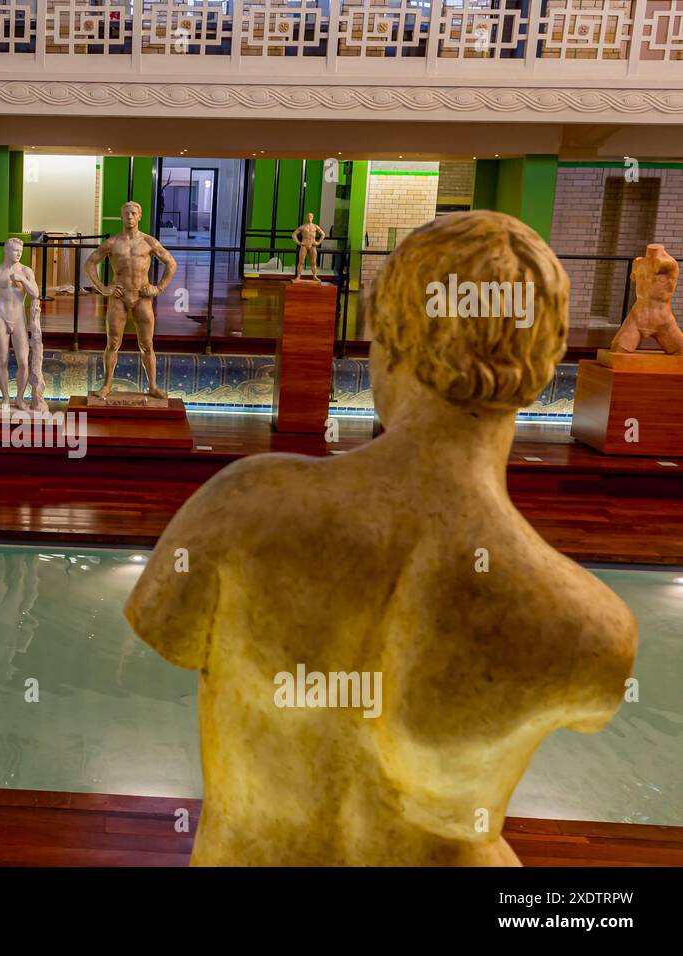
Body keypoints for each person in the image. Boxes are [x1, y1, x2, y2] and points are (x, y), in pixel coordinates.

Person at [125, 211, 637, 866]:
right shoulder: (592, 628)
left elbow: (164, 628)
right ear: (547, 362)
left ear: (386, 344)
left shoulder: (242, 507)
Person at [82, 201, 176, 399]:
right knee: (113, 343)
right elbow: (90, 264)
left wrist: (158, 288)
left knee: (147, 344)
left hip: (142, 297)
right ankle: (107, 385)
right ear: (121, 216)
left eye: (134, 213)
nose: (130, 216)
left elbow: (171, 263)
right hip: (119, 296)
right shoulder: (113, 243)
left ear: (139, 216)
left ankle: (152, 386)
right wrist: (103, 288)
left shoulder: (149, 242)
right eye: (126, 213)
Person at [0, 236, 45, 411]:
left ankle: (19, 399)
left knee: (23, 362)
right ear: (6, 250)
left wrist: (23, 280)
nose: (18, 254)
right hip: (1, 317)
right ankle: (5, 399)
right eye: (15, 250)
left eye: (20, 251)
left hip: (19, 319)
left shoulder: (26, 271)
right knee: (2, 359)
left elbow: (35, 293)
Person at [292, 212, 326, 282]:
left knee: (313, 262)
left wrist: (318, 242)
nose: (309, 218)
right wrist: (298, 242)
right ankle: (298, 276)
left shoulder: (315, 226)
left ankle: (314, 276)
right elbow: (294, 234)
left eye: (311, 217)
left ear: (312, 218)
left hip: (312, 245)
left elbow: (323, 234)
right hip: (304, 245)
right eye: (308, 217)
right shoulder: (303, 227)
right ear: (306, 218)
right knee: (301, 261)